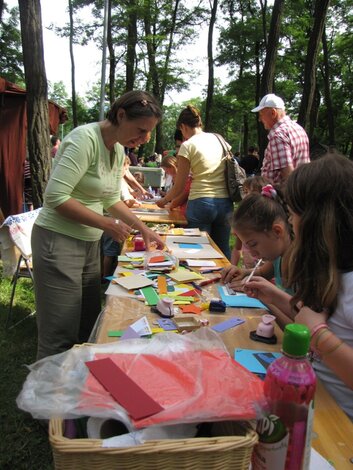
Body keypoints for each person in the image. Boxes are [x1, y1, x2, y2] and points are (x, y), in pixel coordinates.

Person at [31, 90, 164, 360]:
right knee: (59, 334)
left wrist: (143, 228)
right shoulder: (84, 139)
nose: (144, 139)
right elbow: (55, 197)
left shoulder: (116, 149)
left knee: (87, 323)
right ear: (121, 115)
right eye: (141, 130)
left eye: (149, 132)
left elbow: (111, 198)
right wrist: (106, 223)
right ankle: (46, 398)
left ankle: (77, 390)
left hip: (88, 243)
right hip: (58, 242)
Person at [245, 153, 353, 421]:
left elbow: (318, 328)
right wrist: (275, 296)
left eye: (293, 214)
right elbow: (310, 316)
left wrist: (319, 335)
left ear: (318, 220)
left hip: (338, 427)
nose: (291, 222)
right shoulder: (331, 270)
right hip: (311, 399)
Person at [157, 105, 233, 259]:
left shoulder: (188, 145)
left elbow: (179, 185)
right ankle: (226, 282)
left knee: (196, 252)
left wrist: (164, 200)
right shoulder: (219, 139)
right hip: (225, 201)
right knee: (222, 250)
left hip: (201, 202)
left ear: (183, 126)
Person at [221, 183, 294, 326]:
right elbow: (260, 272)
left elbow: (299, 327)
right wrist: (242, 273)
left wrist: (265, 300)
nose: (253, 253)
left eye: (253, 244)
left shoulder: (301, 263)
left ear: (277, 231)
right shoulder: (277, 256)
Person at [251, 93, 310, 184]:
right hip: (302, 188)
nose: (260, 119)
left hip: (282, 195)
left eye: (261, 114)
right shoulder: (298, 129)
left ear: (273, 113)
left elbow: (288, 175)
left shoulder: (278, 136)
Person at [231, 175, 268, 267]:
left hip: (265, 273)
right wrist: (232, 266)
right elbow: (237, 248)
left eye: (251, 192)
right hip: (247, 271)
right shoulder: (243, 219)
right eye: (245, 192)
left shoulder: (267, 219)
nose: (246, 196)